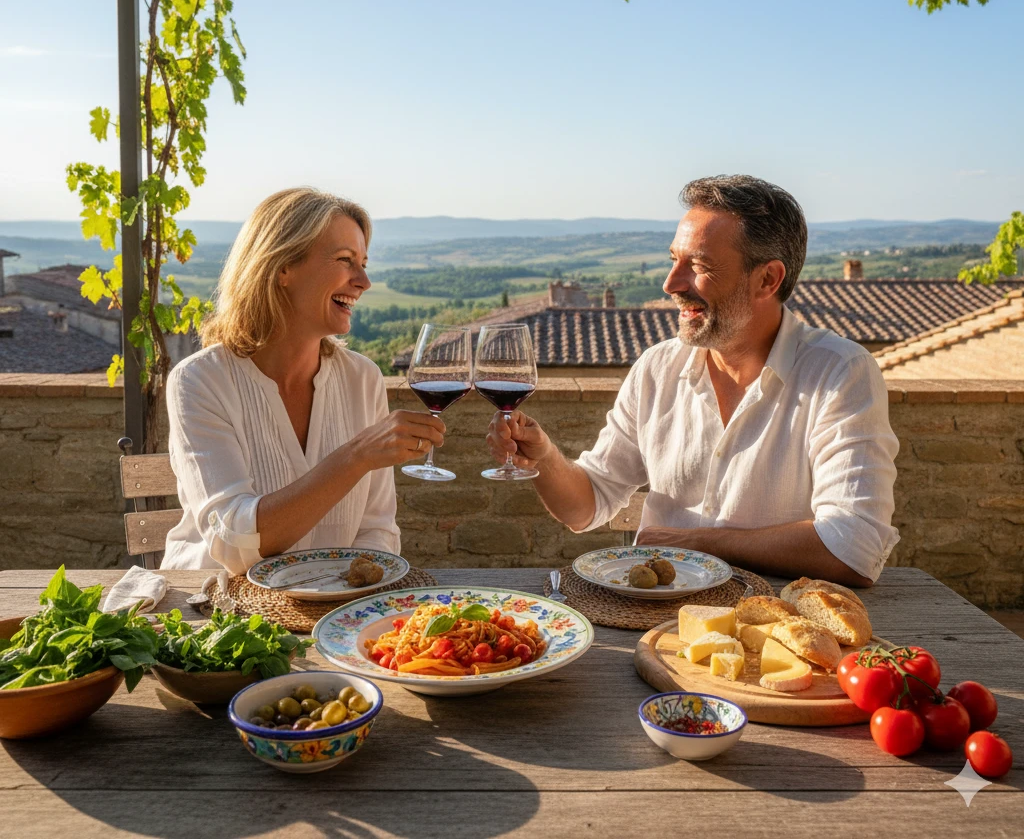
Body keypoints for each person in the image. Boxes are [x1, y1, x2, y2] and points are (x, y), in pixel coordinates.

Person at [486, 175, 899, 587]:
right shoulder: (657, 368)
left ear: (768, 279)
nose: (671, 284)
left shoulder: (840, 372)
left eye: (698, 266)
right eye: (673, 260)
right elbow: (588, 503)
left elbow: (853, 547)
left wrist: (692, 543)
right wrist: (543, 460)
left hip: (777, 631)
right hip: (651, 623)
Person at [161, 188, 445, 573]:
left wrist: (350, 599)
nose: (363, 281)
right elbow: (233, 543)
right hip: (211, 614)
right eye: (346, 260)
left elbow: (377, 530)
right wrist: (356, 456)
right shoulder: (200, 381)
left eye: (363, 263)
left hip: (333, 615)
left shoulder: (363, 379)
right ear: (282, 268)